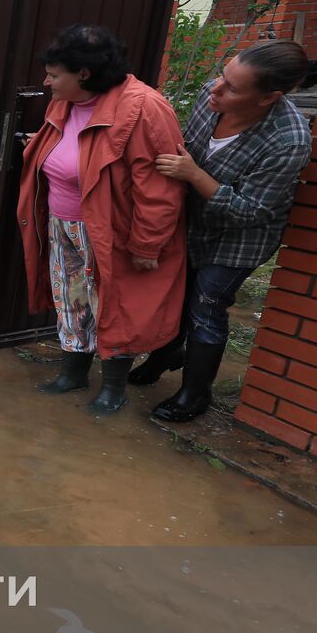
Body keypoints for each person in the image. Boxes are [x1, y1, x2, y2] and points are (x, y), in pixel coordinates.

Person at [131, 40, 316, 421]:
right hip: (194, 222)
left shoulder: (288, 140)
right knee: (176, 293)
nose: (214, 89)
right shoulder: (210, 96)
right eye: (222, 76)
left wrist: (195, 175)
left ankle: (194, 395)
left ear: (268, 98)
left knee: (207, 306)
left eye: (232, 87)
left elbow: (252, 210)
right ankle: (166, 355)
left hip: (240, 238)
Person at [17, 25, 187, 414]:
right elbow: (70, 148)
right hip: (63, 220)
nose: (47, 82)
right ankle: (73, 373)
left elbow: (159, 189)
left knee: (114, 304)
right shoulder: (65, 102)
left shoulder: (144, 109)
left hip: (112, 229)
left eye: (54, 74)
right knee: (71, 298)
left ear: (84, 74)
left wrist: (148, 244)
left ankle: (113, 388)